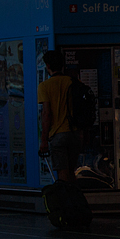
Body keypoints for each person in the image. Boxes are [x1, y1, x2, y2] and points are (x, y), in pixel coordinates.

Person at [38, 49, 78, 182]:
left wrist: (44, 140)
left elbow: (46, 113)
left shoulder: (44, 86)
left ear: (48, 66)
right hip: (74, 133)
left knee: (62, 172)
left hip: (57, 134)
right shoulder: (71, 82)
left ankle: (66, 201)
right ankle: (75, 199)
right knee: (72, 171)